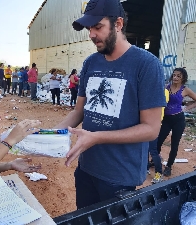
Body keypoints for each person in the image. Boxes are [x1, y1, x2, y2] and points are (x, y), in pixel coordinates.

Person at [54, 0, 166, 209]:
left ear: (118, 24)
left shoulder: (147, 64)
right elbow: (79, 111)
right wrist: (50, 133)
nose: (91, 35)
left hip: (120, 176)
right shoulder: (90, 63)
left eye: (98, 27)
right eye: (89, 29)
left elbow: (151, 129)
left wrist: (96, 138)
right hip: (87, 168)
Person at [157, 67, 196, 177]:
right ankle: (156, 159)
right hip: (166, 119)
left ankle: (169, 166)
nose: (175, 77)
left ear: (183, 78)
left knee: (174, 144)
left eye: (178, 76)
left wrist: (186, 108)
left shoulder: (185, 90)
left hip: (178, 120)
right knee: (159, 141)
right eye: (174, 75)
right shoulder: (166, 88)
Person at [148, 88, 169, 183]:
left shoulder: (164, 91)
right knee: (145, 149)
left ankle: (159, 173)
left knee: (153, 150)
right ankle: (145, 167)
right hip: (144, 124)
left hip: (154, 125)